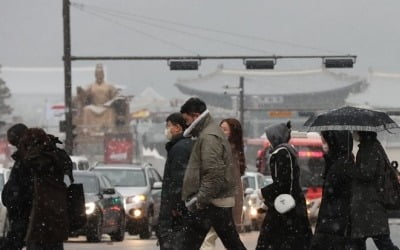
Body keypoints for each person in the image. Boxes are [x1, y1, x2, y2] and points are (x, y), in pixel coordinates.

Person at [180, 97, 246, 250]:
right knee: (231, 241)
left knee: (189, 243)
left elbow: (213, 172)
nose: (187, 124)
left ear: (196, 116)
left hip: (211, 202)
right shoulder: (208, 132)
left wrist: (200, 199)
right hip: (214, 200)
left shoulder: (209, 137)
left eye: (187, 119)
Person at [255, 121, 312, 250]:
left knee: (271, 240)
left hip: (285, 209)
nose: (269, 141)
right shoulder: (289, 151)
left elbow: (282, 184)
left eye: (270, 138)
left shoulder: (282, 153)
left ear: (275, 137)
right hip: (290, 206)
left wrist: (262, 193)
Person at [200, 118, 247, 250]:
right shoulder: (231, 151)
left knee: (208, 240)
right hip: (222, 203)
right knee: (230, 241)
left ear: (233, 134)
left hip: (220, 203)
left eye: (224, 130)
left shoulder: (225, 151)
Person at [348, 131, 399, 250]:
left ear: (363, 133)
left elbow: (366, 173)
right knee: (378, 241)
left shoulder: (368, 149)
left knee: (380, 242)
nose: (354, 134)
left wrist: (351, 169)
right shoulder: (374, 146)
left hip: (368, 204)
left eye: (356, 132)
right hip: (371, 204)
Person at [20, 128, 69, 250]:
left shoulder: (37, 160)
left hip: (42, 218)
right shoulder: (55, 156)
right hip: (55, 217)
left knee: (40, 244)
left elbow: (26, 188)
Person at [310, 131, 354, 250]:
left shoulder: (339, 166)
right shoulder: (344, 161)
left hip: (334, 223)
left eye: (325, 142)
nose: (324, 145)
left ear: (335, 144)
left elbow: (332, 193)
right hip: (335, 222)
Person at [157, 113, 192, 250]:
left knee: (171, 243)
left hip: (174, 213)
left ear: (177, 128)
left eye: (168, 126)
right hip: (178, 211)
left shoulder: (179, 149)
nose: (166, 130)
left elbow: (178, 181)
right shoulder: (182, 146)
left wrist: (176, 208)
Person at [1, 123, 32, 250]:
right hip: (22, 217)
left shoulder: (28, 161)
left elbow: (23, 191)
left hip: (24, 217)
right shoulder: (24, 160)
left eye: (15, 143)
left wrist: (15, 202)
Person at [81, 64, 119, 129]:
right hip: (94, 107)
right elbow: (83, 95)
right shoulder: (91, 86)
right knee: (86, 109)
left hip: (105, 107)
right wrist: (82, 93)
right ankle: (87, 129)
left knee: (110, 111)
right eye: (97, 74)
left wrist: (115, 96)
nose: (99, 76)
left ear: (103, 75)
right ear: (95, 75)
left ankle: (110, 129)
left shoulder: (109, 86)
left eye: (101, 74)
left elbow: (115, 95)